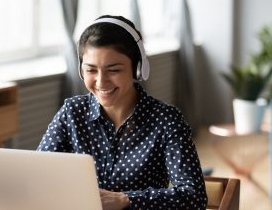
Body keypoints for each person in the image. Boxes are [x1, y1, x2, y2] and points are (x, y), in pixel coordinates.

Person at [37, 15, 207, 210]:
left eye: (113, 70)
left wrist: (125, 200)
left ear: (137, 68)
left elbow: (194, 197)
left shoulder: (167, 120)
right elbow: (39, 175)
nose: (101, 82)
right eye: (91, 70)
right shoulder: (71, 113)